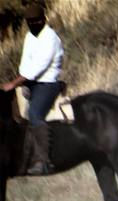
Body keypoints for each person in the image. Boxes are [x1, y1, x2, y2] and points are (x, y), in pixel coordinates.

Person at [2, 1, 65, 175]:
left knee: (35, 114)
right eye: (30, 21)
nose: (33, 24)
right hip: (30, 82)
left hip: (47, 83)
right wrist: (20, 82)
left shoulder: (50, 38)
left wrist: (14, 83)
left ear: (44, 19)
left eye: (36, 20)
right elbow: (25, 63)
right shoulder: (30, 37)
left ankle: (43, 161)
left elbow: (39, 67)